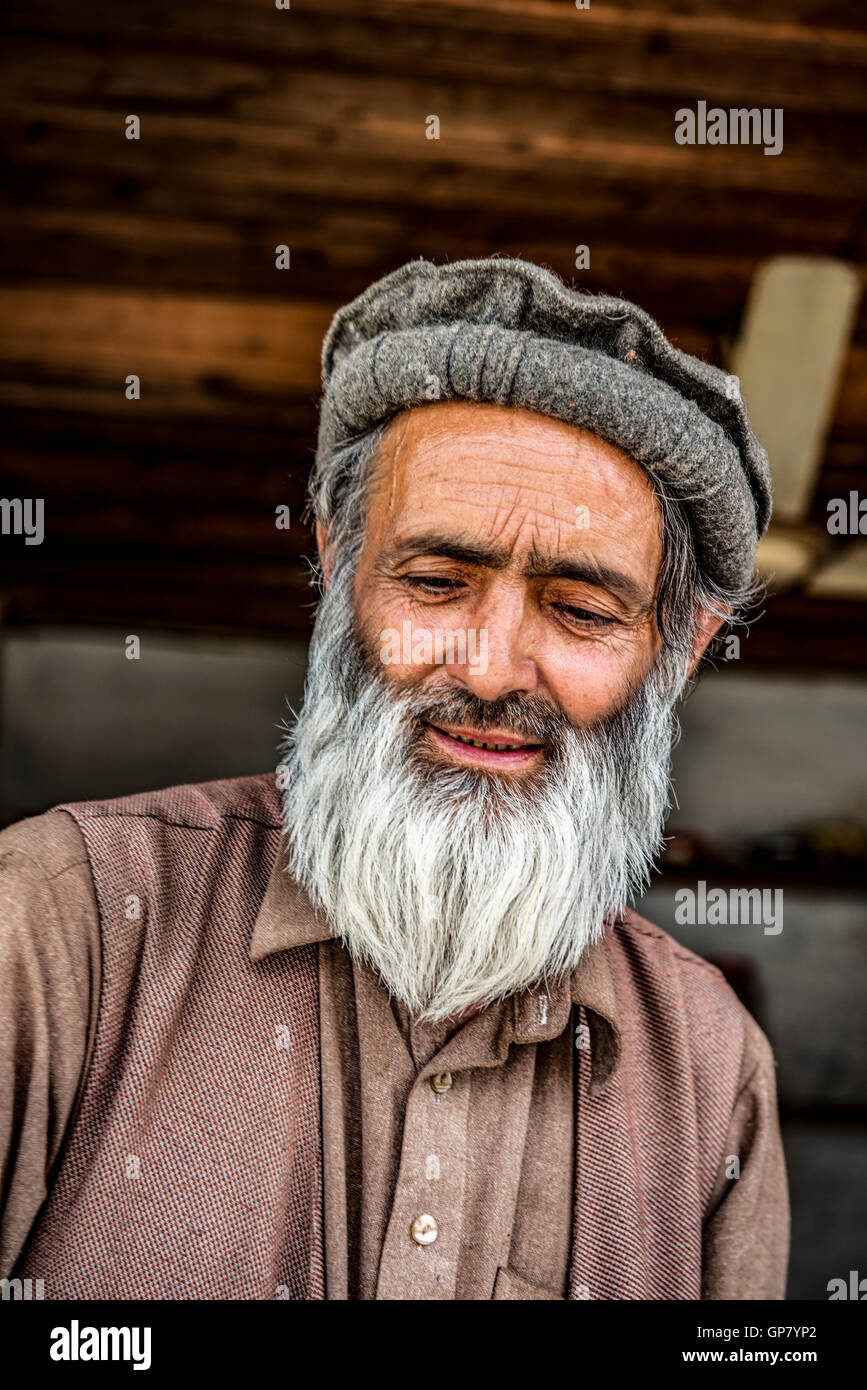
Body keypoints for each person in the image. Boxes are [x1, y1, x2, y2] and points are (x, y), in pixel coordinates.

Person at [0, 257, 788, 1300]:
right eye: (435, 581)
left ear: (680, 648)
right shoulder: (62, 926)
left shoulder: (707, 1071)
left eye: (582, 610)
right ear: (338, 569)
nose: (491, 668)